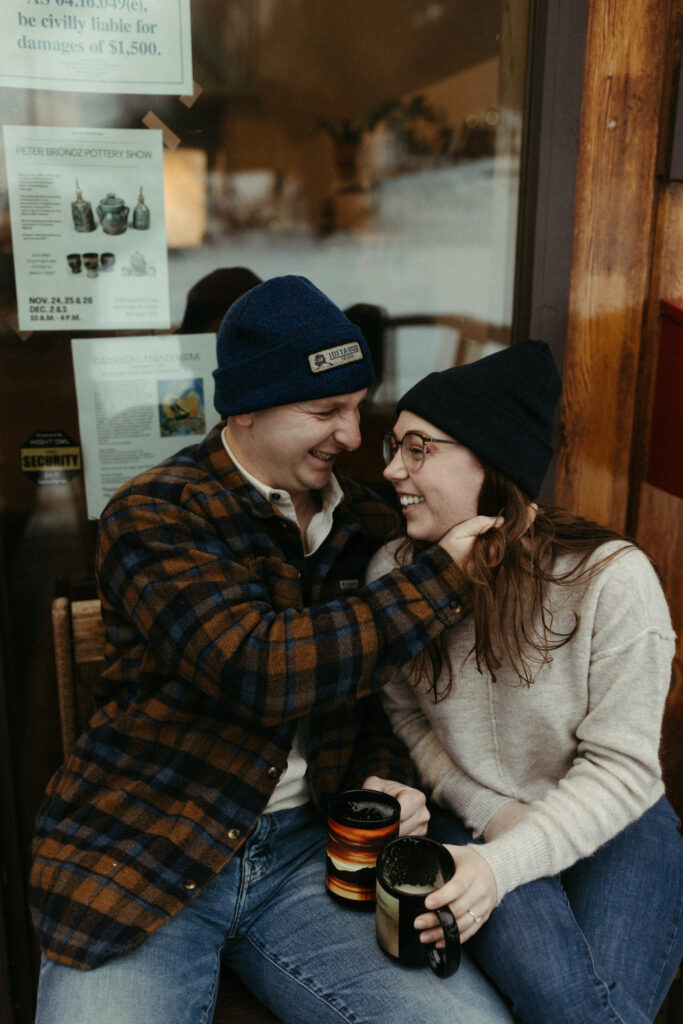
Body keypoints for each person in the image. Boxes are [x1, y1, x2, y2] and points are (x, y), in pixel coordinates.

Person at [30, 275, 514, 1024]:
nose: (353, 438)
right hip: (149, 846)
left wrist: (385, 777)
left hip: (309, 857)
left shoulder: (365, 522)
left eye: (357, 409)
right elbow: (261, 668)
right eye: (326, 411)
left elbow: (383, 690)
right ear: (246, 407)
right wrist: (444, 576)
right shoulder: (157, 514)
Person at [368, 339, 683, 1024]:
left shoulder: (609, 579)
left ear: (491, 460)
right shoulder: (392, 574)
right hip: (473, 814)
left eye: (419, 448)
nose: (392, 469)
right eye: (393, 446)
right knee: (566, 1003)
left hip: (617, 818)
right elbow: (408, 719)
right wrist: (489, 815)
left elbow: (624, 770)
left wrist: (499, 866)